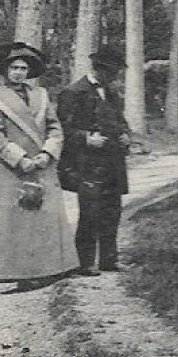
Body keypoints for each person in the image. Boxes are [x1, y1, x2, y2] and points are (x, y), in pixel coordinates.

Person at [0, 42, 77, 289]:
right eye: (14, 68)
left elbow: (55, 127)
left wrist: (48, 152)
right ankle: (23, 274)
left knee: (48, 215)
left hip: (43, 164)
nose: (19, 73)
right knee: (20, 219)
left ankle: (56, 268)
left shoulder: (41, 95)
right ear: (4, 71)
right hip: (13, 169)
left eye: (23, 68)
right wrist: (20, 159)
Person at [57, 47, 132, 275]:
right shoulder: (73, 92)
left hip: (112, 161)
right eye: (111, 72)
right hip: (86, 163)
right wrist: (87, 139)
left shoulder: (112, 93)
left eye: (116, 72)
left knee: (113, 210)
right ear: (98, 69)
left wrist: (126, 134)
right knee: (90, 211)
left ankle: (109, 259)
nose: (114, 76)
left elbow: (120, 121)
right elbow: (63, 129)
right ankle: (85, 262)